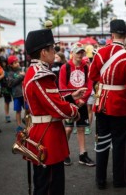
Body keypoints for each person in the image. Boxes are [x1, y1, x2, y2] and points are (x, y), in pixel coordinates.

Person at [23, 29, 87, 195]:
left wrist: (70, 98)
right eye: (52, 48)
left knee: (46, 184)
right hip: (47, 136)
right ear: (43, 52)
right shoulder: (41, 75)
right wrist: (74, 110)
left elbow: (49, 103)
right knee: (51, 187)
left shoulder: (35, 71)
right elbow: (57, 109)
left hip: (43, 132)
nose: (54, 52)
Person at [89, 19, 126, 190]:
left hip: (101, 101)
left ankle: (100, 180)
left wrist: (104, 84)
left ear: (111, 34)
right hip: (119, 104)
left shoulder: (99, 52)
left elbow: (92, 74)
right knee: (121, 143)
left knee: (102, 140)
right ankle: (120, 179)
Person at [59, 42, 95, 167]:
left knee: (81, 128)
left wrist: (83, 100)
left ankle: (82, 154)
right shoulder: (65, 67)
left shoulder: (86, 67)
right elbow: (62, 87)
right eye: (78, 52)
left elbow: (90, 85)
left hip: (82, 102)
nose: (80, 55)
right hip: (70, 102)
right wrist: (74, 100)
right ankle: (63, 153)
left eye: (82, 52)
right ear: (72, 53)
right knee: (68, 129)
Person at [7, 55, 27, 133]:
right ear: (10, 65)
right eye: (15, 63)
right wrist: (21, 76)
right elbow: (11, 83)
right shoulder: (10, 73)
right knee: (18, 111)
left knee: (28, 109)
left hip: (24, 94)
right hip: (16, 95)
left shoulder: (23, 69)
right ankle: (19, 126)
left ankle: (25, 119)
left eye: (17, 62)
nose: (17, 64)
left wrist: (24, 75)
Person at [0, 56, 12, 123]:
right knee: (7, 101)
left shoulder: (8, 68)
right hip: (5, 87)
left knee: (16, 101)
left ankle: (17, 114)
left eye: (4, 62)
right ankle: (7, 115)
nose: (3, 63)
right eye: (2, 62)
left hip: (11, 86)